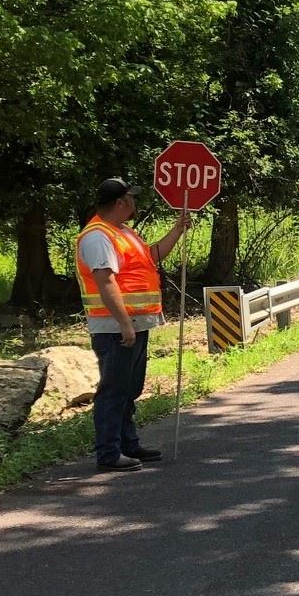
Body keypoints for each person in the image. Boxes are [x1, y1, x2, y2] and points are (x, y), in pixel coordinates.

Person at [74, 178, 191, 472]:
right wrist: (124, 323)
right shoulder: (98, 237)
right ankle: (109, 453)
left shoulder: (123, 232)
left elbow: (150, 257)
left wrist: (177, 230)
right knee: (114, 390)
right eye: (131, 198)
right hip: (115, 327)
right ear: (120, 203)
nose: (135, 203)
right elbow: (106, 282)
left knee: (129, 388)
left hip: (134, 324)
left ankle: (128, 443)